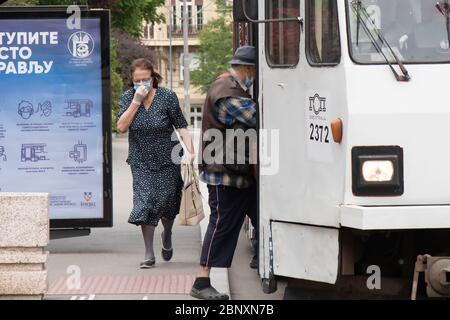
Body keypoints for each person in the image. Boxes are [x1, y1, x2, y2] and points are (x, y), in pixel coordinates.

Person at [190, 46, 258, 300]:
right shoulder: (227, 92)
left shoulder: (234, 87)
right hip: (223, 172)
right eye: (254, 70)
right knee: (220, 223)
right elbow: (256, 116)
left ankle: (263, 258)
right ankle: (201, 280)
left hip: (236, 172)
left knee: (259, 213)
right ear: (248, 69)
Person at [116, 58, 195, 269]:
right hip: (140, 160)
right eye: (137, 80)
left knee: (168, 203)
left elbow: (182, 126)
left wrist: (191, 152)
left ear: (153, 78)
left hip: (169, 158)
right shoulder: (126, 98)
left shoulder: (167, 97)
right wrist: (136, 101)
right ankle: (149, 253)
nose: (141, 83)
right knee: (145, 202)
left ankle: (167, 234)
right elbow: (121, 127)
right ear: (132, 80)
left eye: (145, 79)